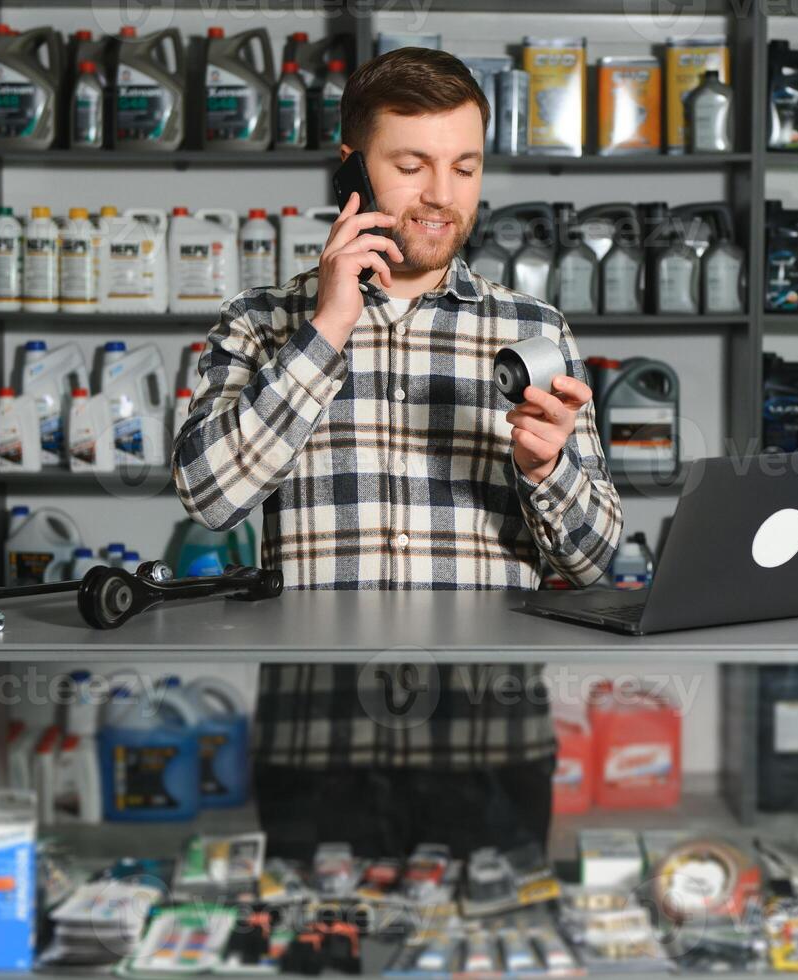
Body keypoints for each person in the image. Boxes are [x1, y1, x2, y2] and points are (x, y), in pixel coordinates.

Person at [173, 47, 624, 861]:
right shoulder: (260, 321)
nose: (442, 196)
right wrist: (327, 328)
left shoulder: (535, 329)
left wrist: (546, 473)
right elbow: (209, 498)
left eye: (463, 166)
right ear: (350, 172)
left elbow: (594, 565)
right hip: (317, 745)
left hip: (489, 747)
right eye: (411, 165)